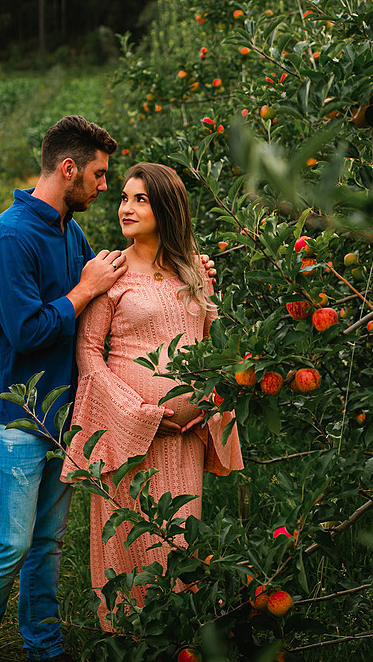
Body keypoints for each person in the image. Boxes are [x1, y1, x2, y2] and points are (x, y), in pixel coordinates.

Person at [0, 117, 214, 661]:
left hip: (66, 415)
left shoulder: (69, 233)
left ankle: (44, 647)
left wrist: (190, 270)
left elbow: (124, 290)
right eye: (100, 176)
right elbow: (27, 331)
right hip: (18, 415)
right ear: (69, 168)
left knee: (46, 544)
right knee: (10, 544)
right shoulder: (11, 235)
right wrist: (84, 289)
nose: (104, 187)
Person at [65, 162, 243, 630]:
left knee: (180, 536)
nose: (125, 208)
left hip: (185, 436)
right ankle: (131, 637)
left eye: (139, 200)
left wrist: (208, 402)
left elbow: (212, 342)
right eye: (124, 198)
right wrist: (137, 414)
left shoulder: (194, 271)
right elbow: (88, 352)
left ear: (166, 207)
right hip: (130, 436)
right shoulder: (111, 271)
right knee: (132, 539)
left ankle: (180, 637)